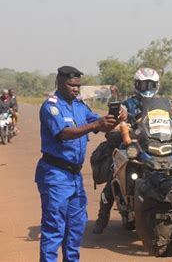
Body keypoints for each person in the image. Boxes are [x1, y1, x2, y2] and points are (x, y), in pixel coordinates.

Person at [35, 66, 126, 262]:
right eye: (71, 85)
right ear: (59, 83)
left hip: (75, 177)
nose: (76, 89)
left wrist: (116, 118)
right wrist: (95, 125)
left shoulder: (80, 106)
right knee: (54, 229)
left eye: (78, 86)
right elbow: (64, 133)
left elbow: (101, 123)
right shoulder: (51, 107)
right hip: (55, 175)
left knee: (75, 228)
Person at [92, 67, 161, 234]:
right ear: (136, 85)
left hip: (155, 146)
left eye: (150, 84)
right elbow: (118, 120)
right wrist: (120, 119)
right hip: (131, 145)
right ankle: (102, 217)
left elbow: (171, 118)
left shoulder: (161, 103)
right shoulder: (127, 104)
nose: (147, 89)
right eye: (144, 85)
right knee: (114, 175)